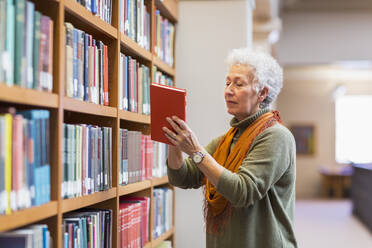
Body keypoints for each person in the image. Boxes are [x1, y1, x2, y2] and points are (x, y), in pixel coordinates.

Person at [162, 48, 297, 248]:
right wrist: (174, 139)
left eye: (238, 84)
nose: (228, 90)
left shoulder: (277, 136)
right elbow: (182, 177)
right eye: (227, 83)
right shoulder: (225, 141)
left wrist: (196, 151)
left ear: (262, 93)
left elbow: (242, 191)